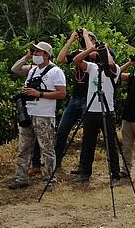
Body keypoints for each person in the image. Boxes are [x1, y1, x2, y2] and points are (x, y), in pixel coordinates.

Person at [24, 30, 97, 175]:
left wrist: (87, 35)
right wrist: (71, 39)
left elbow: (92, 54)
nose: (84, 41)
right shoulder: (78, 52)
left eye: (87, 39)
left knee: (87, 134)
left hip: (89, 98)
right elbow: (60, 58)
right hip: (75, 98)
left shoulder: (97, 53)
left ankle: (83, 167)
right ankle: (55, 163)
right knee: (62, 131)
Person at [8, 41, 66, 190]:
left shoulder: (55, 71)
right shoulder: (33, 70)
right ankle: (21, 178)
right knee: (23, 148)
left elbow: (62, 93)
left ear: (46, 55)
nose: (34, 55)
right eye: (33, 52)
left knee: (47, 149)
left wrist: (39, 94)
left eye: (37, 52)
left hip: (44, 115)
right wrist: (26, 56)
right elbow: (15, 69)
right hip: (28, 114)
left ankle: (49, 180)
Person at [72, 32, 121, 185]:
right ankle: (85, 172)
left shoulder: (115, 70)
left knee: (110, 146)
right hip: (91, 110)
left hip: (106, 111)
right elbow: (76, 60)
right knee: (88, 143)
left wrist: (105, 49)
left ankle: (115, 175)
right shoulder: (93, 67)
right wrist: (91, 48)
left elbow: (111, 63)